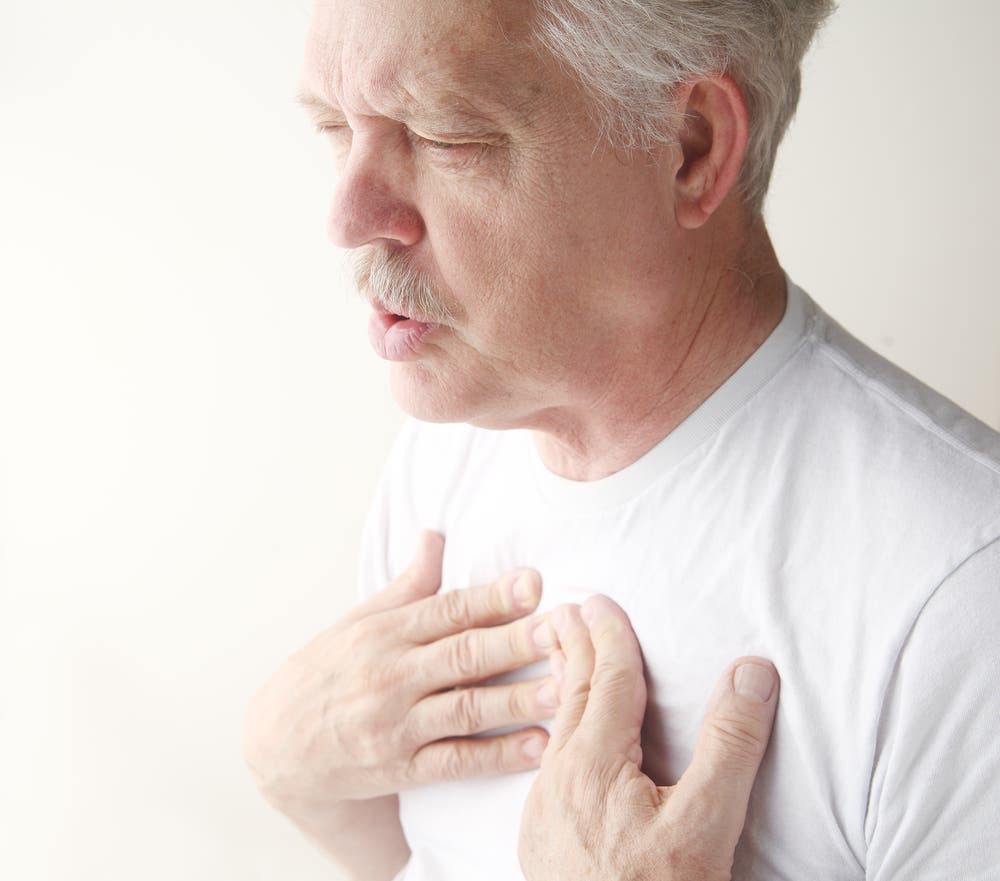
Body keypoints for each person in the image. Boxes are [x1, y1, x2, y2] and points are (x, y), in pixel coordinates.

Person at [242, 0, 1000, 879]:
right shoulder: (444, 455)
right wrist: (312, 788)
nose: (346, 215)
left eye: (445, 135)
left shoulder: (957, 605)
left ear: (690, 148)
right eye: (336, 127)